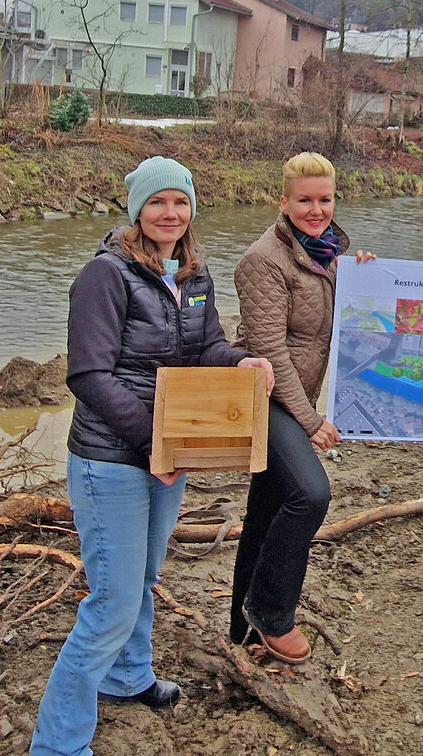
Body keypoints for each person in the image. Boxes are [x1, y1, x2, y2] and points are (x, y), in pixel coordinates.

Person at [31, 156, 274, 756]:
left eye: (181, 202)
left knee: (142, 577)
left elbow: (209, 345)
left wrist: (240, 361)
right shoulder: (104, 276)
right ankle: (57, 744)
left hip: (165, 455)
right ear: (137, 209)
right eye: (159, 202)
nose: (171, 213)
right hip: (110, 460)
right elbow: (87, 375)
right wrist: (151, 443)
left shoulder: (193, 274)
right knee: (110, 600)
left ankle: (127, 676)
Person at [230, 152, 373, 662]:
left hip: (295, 400)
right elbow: (268, 352)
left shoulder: (327, 254)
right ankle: (271, 613)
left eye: (325, 199)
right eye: (305, 200)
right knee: (312, 495)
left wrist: (366, 279)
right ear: (284, 201)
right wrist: (310, 421)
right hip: (262, 398)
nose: (317, 209)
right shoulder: (263, 260)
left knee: (266, 512)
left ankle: (240, 633)